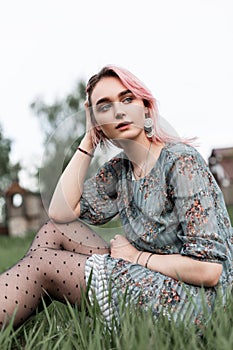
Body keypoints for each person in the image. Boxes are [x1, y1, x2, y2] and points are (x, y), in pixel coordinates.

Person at [0, 65, 232, 329]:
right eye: (104, 106)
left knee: (44, 264)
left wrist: (136, 258)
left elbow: (210, 271)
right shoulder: (119, 170)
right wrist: (88, 140)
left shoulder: (181, 162)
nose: (119, 111)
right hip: (152, 276)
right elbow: (60, 213)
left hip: (196, 303)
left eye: (127, 99)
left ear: (145, 107)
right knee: (54, 230)